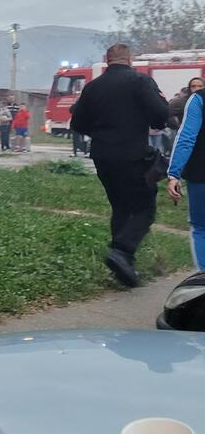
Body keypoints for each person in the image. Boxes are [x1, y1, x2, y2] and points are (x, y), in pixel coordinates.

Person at [70, 43, 169, 288]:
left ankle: (123, 268)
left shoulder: (93, 87)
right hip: (133, 155)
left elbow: (77, 124)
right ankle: (122, 251)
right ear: (129, 59)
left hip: (102, 156)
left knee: (121, 207)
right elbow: (160, 115)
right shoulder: (140, 81)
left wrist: (102, 133)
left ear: (107, 59)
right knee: (144, 208)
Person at [167, 85, 205, 271]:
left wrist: (174, 173)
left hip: (201, 174)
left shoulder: (199, 99)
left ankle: (203, 277)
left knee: (201, 228)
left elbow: (186, 137)